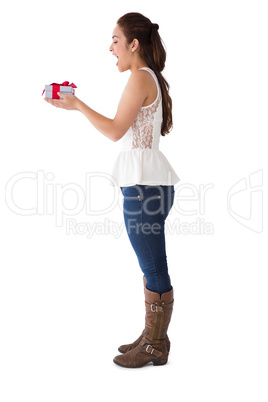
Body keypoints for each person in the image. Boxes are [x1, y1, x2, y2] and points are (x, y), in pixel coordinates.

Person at [44, 12, 180, 368]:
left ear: (134, 44)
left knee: (153, 266)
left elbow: (117, 130)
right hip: (152, 183)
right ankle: (154, 338)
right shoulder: (151, 78)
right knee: (152, 264)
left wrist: (77, 105)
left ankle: (155, 345)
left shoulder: (139, 77)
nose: (111, 48)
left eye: (116, 41)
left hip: (145, 187)